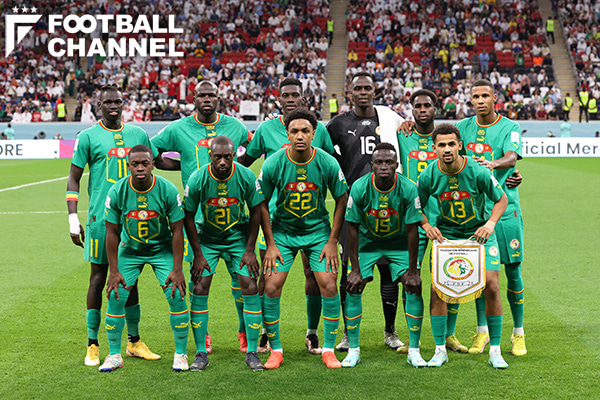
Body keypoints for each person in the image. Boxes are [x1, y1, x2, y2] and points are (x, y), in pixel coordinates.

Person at [151, 80, 252, 354]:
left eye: (211, 95)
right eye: (201, 95)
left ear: (219, 98)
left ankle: (244, 332)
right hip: (196, 219)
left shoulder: (235, 126)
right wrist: (182, 165)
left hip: (232, 217)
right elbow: (152, 151)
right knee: (200, 280)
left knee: (241, 280)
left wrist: (237, 168)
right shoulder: (178, 128)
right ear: (193, 99)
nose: (207, 99)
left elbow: (253, 148)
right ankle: (203, 336)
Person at [240, 77, 336, 355]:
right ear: (279, 99)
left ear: (303, 97)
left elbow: (329, 162)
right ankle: (266, 334)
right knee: (267, 279)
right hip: (275, 221)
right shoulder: (266, 129)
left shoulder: (318, 129)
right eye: (286, 95)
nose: (291, 98)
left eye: (295, 94)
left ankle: (312, 333)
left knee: (313, 275)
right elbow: (246, 163)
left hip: (312, 219)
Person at [67, 84, 160, 367]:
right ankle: (92, 344)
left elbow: (155, 163)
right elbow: (73, 178)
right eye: (108, 102)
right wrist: (73, 217)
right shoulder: (87, 137)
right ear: (98, 105)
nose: (113, 106)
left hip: (134, 218)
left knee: (130, 279)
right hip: (100, 218)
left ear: (123, 104)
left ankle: (134, 342)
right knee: (98, 278)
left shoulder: (138, 134)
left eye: (117, 102)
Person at [259, 108, 348, 369]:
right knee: (271, 286)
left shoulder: (327, 161)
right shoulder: (274, 162)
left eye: (305, 131)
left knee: (328, 285)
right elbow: (261, 202)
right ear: (287, 134)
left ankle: (328, 350)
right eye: (294, 131)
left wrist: (332, 241)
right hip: (283, 234)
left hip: (317, 233)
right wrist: (271, 244)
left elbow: (342, 198)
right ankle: (276, 350)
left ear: (314, 133)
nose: (300, 136)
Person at [327, 71, 406, 352]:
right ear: (350, 92)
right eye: (358, 88)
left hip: (388, 207)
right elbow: (327, 157)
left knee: (388, 270)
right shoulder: (337, 124)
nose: (363, 92)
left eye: (367, 88)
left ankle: (390, 331)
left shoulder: (389, 119)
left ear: (375, 91)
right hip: (354, 209)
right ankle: (348, 334)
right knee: (350, 271)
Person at [418, 123, 509, 369]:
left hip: (479, 234)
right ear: (434, 148)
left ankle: (495, 350)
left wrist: (490, 224)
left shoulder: (478, 171)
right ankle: (439, 350)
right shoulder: (428, 175)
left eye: (451, 144)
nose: (447, 149)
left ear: (460, 145)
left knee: (491, 285)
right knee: (438, 289)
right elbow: (416, 206)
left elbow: (501, 199)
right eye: (441, 145)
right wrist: (426, 225)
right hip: (446, 237)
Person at [100, 145, 189, 372]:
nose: (140, 168)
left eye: (145, 163)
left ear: (153, 165)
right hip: (130, 250)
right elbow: (111, 232)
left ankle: (180, 354)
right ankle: (114, 355)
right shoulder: (117, 191)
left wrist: (177, 269)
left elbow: (178, 230)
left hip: (162, 249)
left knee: (176, 294)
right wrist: (113, 271)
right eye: (135, 164)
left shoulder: (167, 189)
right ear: (128, 166)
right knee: (116, 296)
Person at [456, 79, 527, 357]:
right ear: (470, 100)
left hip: (506, 210)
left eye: (485, 95)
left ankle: (518, 333)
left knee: (513, 272)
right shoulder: (463, 128)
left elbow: (511, 157)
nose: (480, 100)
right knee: (482, 275)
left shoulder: (509, 127)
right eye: (476, 96)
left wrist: (493, 164)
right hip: (476, 213)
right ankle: (482, 332)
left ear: (495, 98)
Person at [182, 136, 265, 371]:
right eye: (217, 157)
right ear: (210, 155)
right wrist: (198, 254)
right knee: (199, 286)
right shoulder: (197, 178)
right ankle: (201, 352)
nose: (222, 162)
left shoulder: (245, 176)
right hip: (207, 239)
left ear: (233, 156)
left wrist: (250, 250)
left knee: (249, 284)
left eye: (227, 157)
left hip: (237, 238)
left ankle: (251, 352)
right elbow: (188, 216)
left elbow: (256, 211)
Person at [397, 89, 468, 354]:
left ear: (435, 108)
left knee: (450, 278)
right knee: (410, 278)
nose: (422, 110)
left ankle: (449, 335)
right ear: (412, 109)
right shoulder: (403, 135)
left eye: (427, 105)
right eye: (417, 106)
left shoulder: (446, 138)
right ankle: (412, 339)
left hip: (444, 220)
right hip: (412, 220)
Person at [343, 142, 425, 368]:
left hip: (399, 243)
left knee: (413, 287)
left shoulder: (408, 188)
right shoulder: (360, 187)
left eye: (389, 162)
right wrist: (355, 269)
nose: (384, 166)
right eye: (379, 162)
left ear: (397, 165)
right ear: (372, 165)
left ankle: (414, 350)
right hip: (367, 242)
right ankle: (353, 350)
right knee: (353, 286)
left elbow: (413, 230)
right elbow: (351, 227)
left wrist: (413, 270)